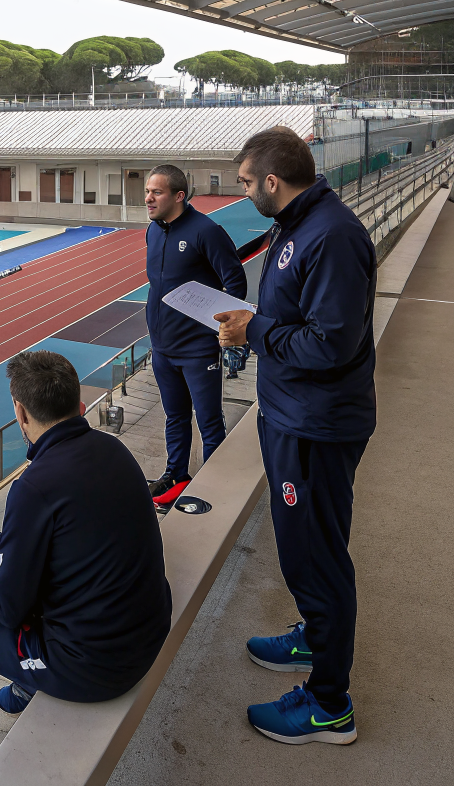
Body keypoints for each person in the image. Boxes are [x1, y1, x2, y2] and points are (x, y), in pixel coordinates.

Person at [0, 350, 172, 782]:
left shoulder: (34, 488)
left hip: (94, 668)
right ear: (77, 403)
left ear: (21, 413)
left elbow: (7, 610)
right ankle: (27, 684)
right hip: (147, 633)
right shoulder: (112, 448)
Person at [214, 127, 375, 746]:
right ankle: (315, 634)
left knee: (317, 558)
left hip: (315, 426)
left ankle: (330, 706)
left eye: (248, 181)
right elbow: (299, 320)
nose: (244, 189)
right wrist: (258, 326)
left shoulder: (331, 235)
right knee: (305, 551)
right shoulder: (300, 224)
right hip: (294, 416)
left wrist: (254, 334)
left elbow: (332, 342)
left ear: (273, 181)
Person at [144, 164, 247, 506]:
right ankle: (177, 472)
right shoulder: (153, 231)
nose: (148, 198)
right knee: (174, 416)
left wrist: (221, 328)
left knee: (208, 420)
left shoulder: (206, 231)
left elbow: (235, 281)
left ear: (178, 196)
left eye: (156, 192)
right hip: (162, 347)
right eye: (147, 191)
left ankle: (214, 483)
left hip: (198, 350)